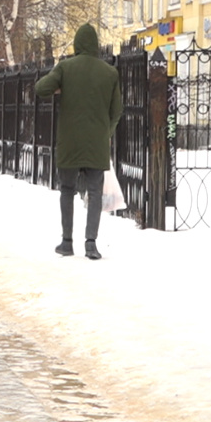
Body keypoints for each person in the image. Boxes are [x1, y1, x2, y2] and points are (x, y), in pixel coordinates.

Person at [34, 23, 122, 260]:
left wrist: (59, 84)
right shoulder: (110, 73)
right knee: (94, 192)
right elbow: (117, 111)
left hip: (69, 142)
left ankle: (66, 242)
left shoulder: (66, 67)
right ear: (95, 45)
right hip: (97, 143)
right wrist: (107, 133)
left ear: (77, 44)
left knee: (67, 190)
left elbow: (40, 88)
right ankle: (91, 244)